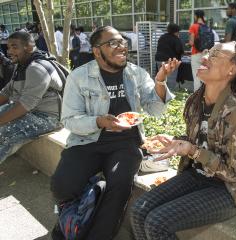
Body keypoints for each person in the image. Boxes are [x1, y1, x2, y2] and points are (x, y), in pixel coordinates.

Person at [50, 26, 179, 240]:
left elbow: (156, 109)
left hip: (126, 144)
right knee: (62, 186)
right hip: (87, 140)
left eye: (122, 42)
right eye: (113, 43)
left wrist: (160, 81)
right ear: (96, 51)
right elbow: (69, 120)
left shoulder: (136, 73)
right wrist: (99, 121)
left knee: (119, 187)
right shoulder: (79, 77)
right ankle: (71, 219)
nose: (121, 47)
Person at [130, 41, 236, 240]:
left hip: (225, 190)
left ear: (232, 70)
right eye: (208, 51)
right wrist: (175, 142)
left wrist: (194, 151)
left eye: (215, 55)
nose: (205, 56)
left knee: (157, 223)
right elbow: (197, 142)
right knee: (139, 210)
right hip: (195, 176)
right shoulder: (196, 102)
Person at [0, 31, 62, 164]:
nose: (9, 51)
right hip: (30, 110)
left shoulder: (37, 68)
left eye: (14, 47)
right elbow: (6, 92)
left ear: (28, 47)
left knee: (4, 133)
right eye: (8, 47)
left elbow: (25, 105)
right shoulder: (21, 65)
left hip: (48, 117)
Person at [155, 23, 184, 89]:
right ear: (176, 31)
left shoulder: (162, 37)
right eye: (178, 32)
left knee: (161, 78)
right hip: (169, 61)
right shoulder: (176, 39)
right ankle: (169, 95)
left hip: (159, 59)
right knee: (171, 79)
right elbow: (179, 50)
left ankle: (161, 93)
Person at [188, 10, 208, 91]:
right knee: (205, 75)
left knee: (196, 76)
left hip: (196, 54)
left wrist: (188, 43)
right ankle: (207, 93)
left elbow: (191, 42)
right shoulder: (207, 27)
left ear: (196, 16)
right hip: (205, 54)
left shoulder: (193, 26)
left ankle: (197, 97)